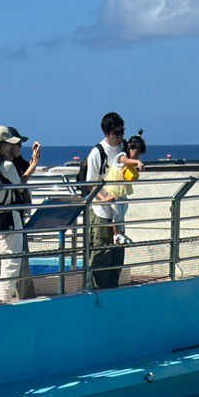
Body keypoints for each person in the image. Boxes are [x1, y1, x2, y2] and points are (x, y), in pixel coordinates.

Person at [0, 123, 37, 306]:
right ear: (1, 145)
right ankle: (2, 303)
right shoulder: (6, 165)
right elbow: (19, 184)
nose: (12, 147)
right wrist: (34, 165)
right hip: (9, 217)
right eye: (9, 144)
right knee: (10, 263)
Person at [79, 111, 129, 290]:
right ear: (107, 133)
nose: (120, 136)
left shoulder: (124, 147)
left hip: (119, 211)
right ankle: (98, 293)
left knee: (117, 256)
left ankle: (113, 291)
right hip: (101, 212)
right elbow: (91, 183)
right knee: (101, 254)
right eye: (116, 133)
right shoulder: (97, 153)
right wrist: (104, 198)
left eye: (122, 132)